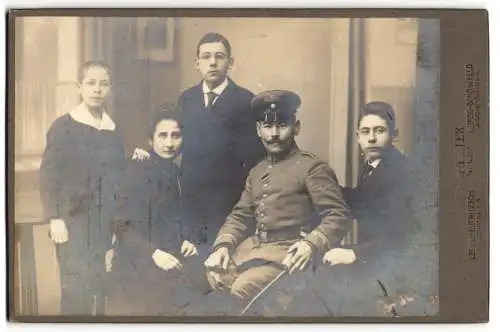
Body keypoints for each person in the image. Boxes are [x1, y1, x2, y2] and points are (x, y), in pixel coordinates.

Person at [202, 90, 353, 315]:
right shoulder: (257, 171)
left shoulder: (312, 168)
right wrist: (223, 246)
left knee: (240, 291)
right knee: (214, 276)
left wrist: (310, 244)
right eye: (267, 126)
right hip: (254, 252)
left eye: (281, 125)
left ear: (297, 127)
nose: (273, 134)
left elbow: (338, 216)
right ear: (258, 130)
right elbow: (240, 215)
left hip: (291, 256)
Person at [318, 101, 433, 316]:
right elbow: (364, 202)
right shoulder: (373, 163)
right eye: (365, 131)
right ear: (357, 136)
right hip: (376, 253)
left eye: (379, 131)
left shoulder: (403, 171)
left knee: (325, 283)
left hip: (395, 261)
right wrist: (327, 187)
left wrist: (353, 253)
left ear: (393, 134)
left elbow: (401, 235)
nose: (371, 138)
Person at [39, 61, 126, 315]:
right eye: (90, 83)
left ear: (110, 88)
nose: (97, 89)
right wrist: (54, 218)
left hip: (103, 225)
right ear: (79, 87)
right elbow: (49, 174)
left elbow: (116, 177)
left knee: (100, 290)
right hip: (72, 224)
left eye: (103, 83)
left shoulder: (113, 132)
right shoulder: (63, 126)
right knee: (76, 293)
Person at [107, 105, 199, 315]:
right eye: (162, 136)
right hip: (137, 262)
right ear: (151, 140)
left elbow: (178, 217)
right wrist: (153, 253)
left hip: (169, 256)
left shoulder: (176, 172)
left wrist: (187, 239)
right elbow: (121, 226)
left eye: (175, 136)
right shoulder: (136, 172)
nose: (169, 143)